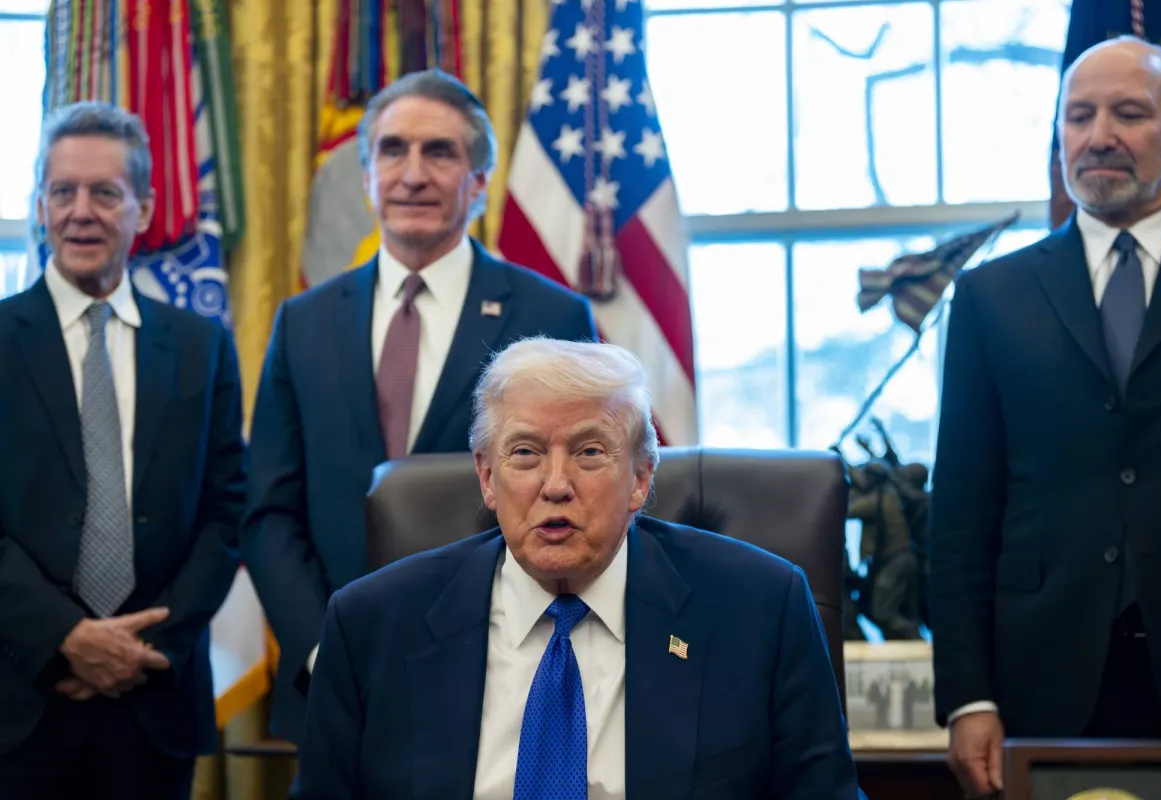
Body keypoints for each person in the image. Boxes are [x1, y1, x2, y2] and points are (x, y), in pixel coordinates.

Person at [289, 337, 863, 799]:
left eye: (589, 452)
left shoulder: (760, 610)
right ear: (486, 477)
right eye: (525, 453)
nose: (556, 485)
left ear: (640, 477)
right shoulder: (371, 625)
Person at [242, 69, 597, 744]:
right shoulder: (303, 322)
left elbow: (577, 502)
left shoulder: (552, 317)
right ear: (367, 176)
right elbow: (268, 513)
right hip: (333, 685)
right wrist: (325, 650)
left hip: (504, 677)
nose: (412, 174)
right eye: (392, 150)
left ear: (479, 180)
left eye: (439, 152)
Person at [930, 36, 1161, 797]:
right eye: (1079, 116)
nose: (1099, 136)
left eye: (1128, 114)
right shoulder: (991, 298)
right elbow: (961, 517)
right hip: (1043, 679)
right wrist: (968, 697)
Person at [0, 102, 246, 799]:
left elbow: (228, 511)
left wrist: (142, 649)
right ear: (40, 206)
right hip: (21, 700)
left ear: (144, 209)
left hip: (155, 698)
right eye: (63, 192)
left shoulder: (202, 346)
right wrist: (65, 637)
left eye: (105, 193)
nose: (81, 212)